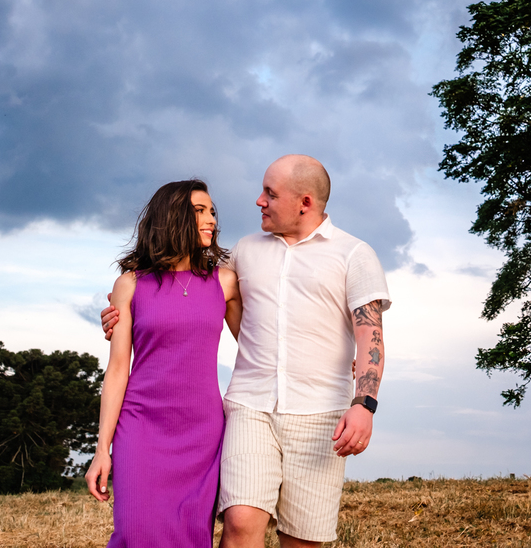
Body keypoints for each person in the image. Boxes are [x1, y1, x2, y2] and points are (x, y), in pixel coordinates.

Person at [102, 155, 389, 548]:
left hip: (320, 412)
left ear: (304, 202)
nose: (258, 201)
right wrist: (124, 316)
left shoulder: (354, 254)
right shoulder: (244, 252)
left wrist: (364, 401)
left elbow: (370, 332)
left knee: (302, 539)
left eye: (270, 193)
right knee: (238, 524)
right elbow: (187, 294)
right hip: (249, 408)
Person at [86, 179, 242, 548]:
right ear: (172, 218)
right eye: (199, 211)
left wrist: (330, 358)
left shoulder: (225, 282)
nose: (211, 220)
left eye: (213, 212)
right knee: (134, 532)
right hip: (141, 426)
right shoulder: (130, 285)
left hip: (202, 432)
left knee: (189, 535)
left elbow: (262, 347)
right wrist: (101, 449)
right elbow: (117, 369)